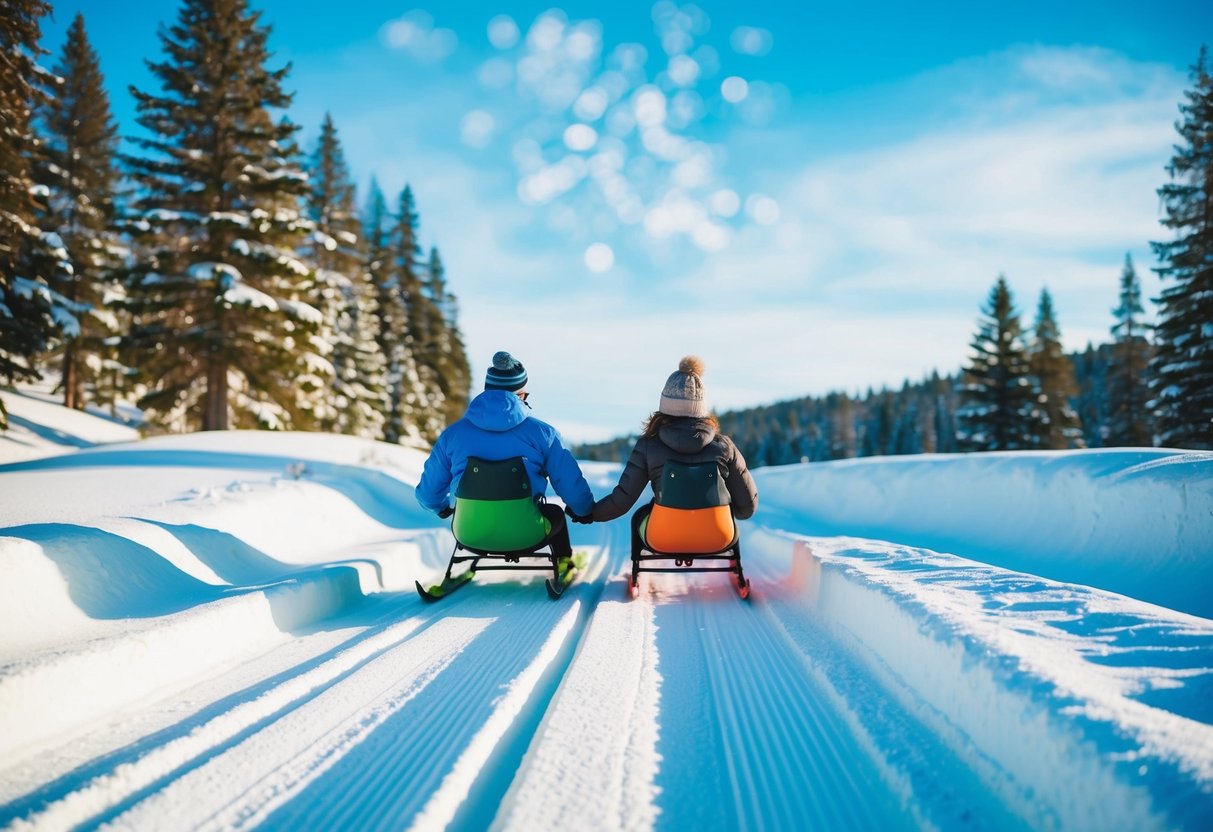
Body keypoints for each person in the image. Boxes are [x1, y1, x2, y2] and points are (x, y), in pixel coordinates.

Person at [415, 350, 594, 559]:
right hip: (527, 534)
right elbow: (570, 484)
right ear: (519, 395)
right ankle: (564, 562)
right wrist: (583, 511)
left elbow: (428, 494)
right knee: (554, 513)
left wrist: (442, 509)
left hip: (468, 534)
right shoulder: (543, 434)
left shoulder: (453, 435)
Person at [591, 356, 758, 555]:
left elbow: (623, 500)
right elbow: (747, 507)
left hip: (662, 537)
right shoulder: (724, 446)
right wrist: (734, 511)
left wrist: (590, 513)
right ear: (702, 408)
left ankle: (637, 569)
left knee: (639, 517)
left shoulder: (647, 446)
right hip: (718, 536)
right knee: (729, 518)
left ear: (664, 405)